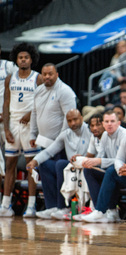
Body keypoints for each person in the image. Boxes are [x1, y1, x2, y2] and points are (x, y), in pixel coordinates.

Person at [0, 43, 44, 217]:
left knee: (31, 166)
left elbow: (42, 102)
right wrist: (7, 129)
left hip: (30, 126)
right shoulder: (11, 78)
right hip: (13, 124)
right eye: (20, 57)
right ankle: (5, 204)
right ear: (16, 60)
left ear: (31, 59)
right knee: (10, 164)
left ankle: (31, 205)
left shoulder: (38, 78)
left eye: (26, 57)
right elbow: (5, 103)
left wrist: (30, 113)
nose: (23, 60)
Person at [26, 109, 91, 219]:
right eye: (69, 121)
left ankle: (63, 207)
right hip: (72, 169)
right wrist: (35, 161)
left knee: (61, 164)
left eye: (75, 119)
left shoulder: (90, 131)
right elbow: (49, 151)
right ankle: (52, 206)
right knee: (45, 164)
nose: (73, 123)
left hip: (85, 167)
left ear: (81, 118)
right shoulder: (65, 134)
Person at [75, 111, 126, 222]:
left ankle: (101, 211)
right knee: (89, 170)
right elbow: (101, 158)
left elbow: (125, 162)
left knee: (110, 172)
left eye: (112, 121)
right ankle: (99, 210)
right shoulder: (105, 135)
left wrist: (99, 161)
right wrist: (90, 162)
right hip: (112, 172)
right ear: (104, 124)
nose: (109, 124)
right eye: (107, 122)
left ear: (118, 123)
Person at [30, 63, 77, 153]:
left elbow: (70, 119)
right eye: (44, 74)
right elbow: (34, 113)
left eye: (50, 74)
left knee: (57, 166)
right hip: (42, 141)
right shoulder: (38, 90)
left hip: (60, 145)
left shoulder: (65, 91)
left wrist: (59, 142)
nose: (47, 76)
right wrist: (32, 134)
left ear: (57, 74)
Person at [0, 43, 18, 192]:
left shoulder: (8, 66)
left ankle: (7, 200)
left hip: (8, 120)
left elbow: (21, 87)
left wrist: (7, 113)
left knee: (11, 162)